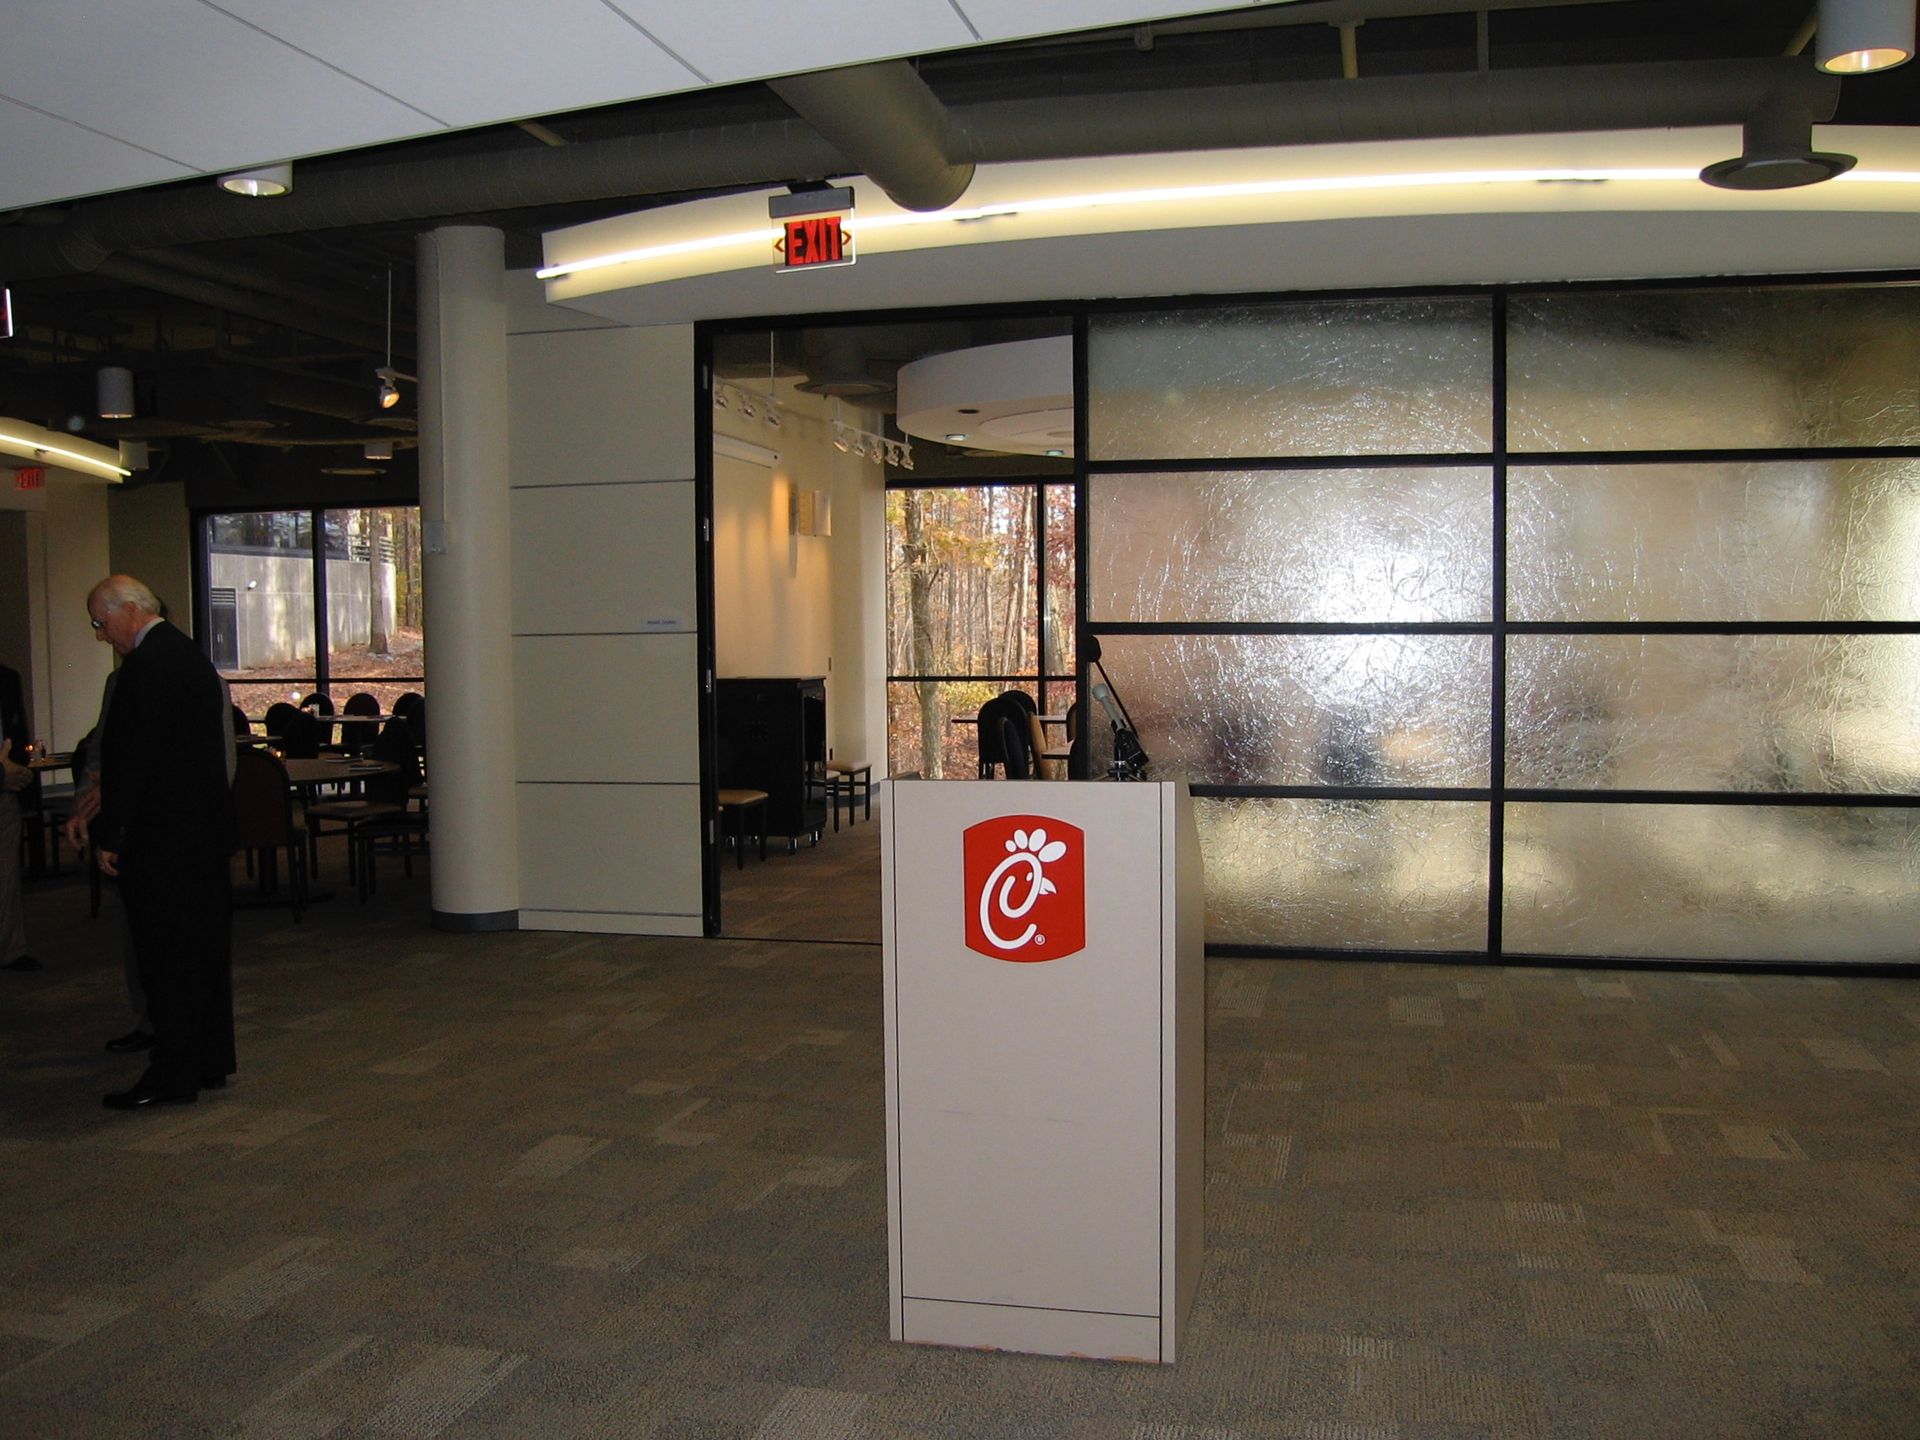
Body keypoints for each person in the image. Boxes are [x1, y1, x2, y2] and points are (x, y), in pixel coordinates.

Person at [86, 576, 237, 1110]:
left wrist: (111, 834)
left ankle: (173, 1073)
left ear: (129, 611)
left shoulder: (146, 668)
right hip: (200, 836)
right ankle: (208, 1059)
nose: (103, 636)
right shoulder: (190, 656)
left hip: (164, 842)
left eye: (101, 624)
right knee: (201, 955)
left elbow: (133, 763)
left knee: (166, 959)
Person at [0, 662, 38, 973]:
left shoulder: (7, 678)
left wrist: (18, 777)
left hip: (6, 793)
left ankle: (10, 949)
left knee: (7, 875)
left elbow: (18, 731)